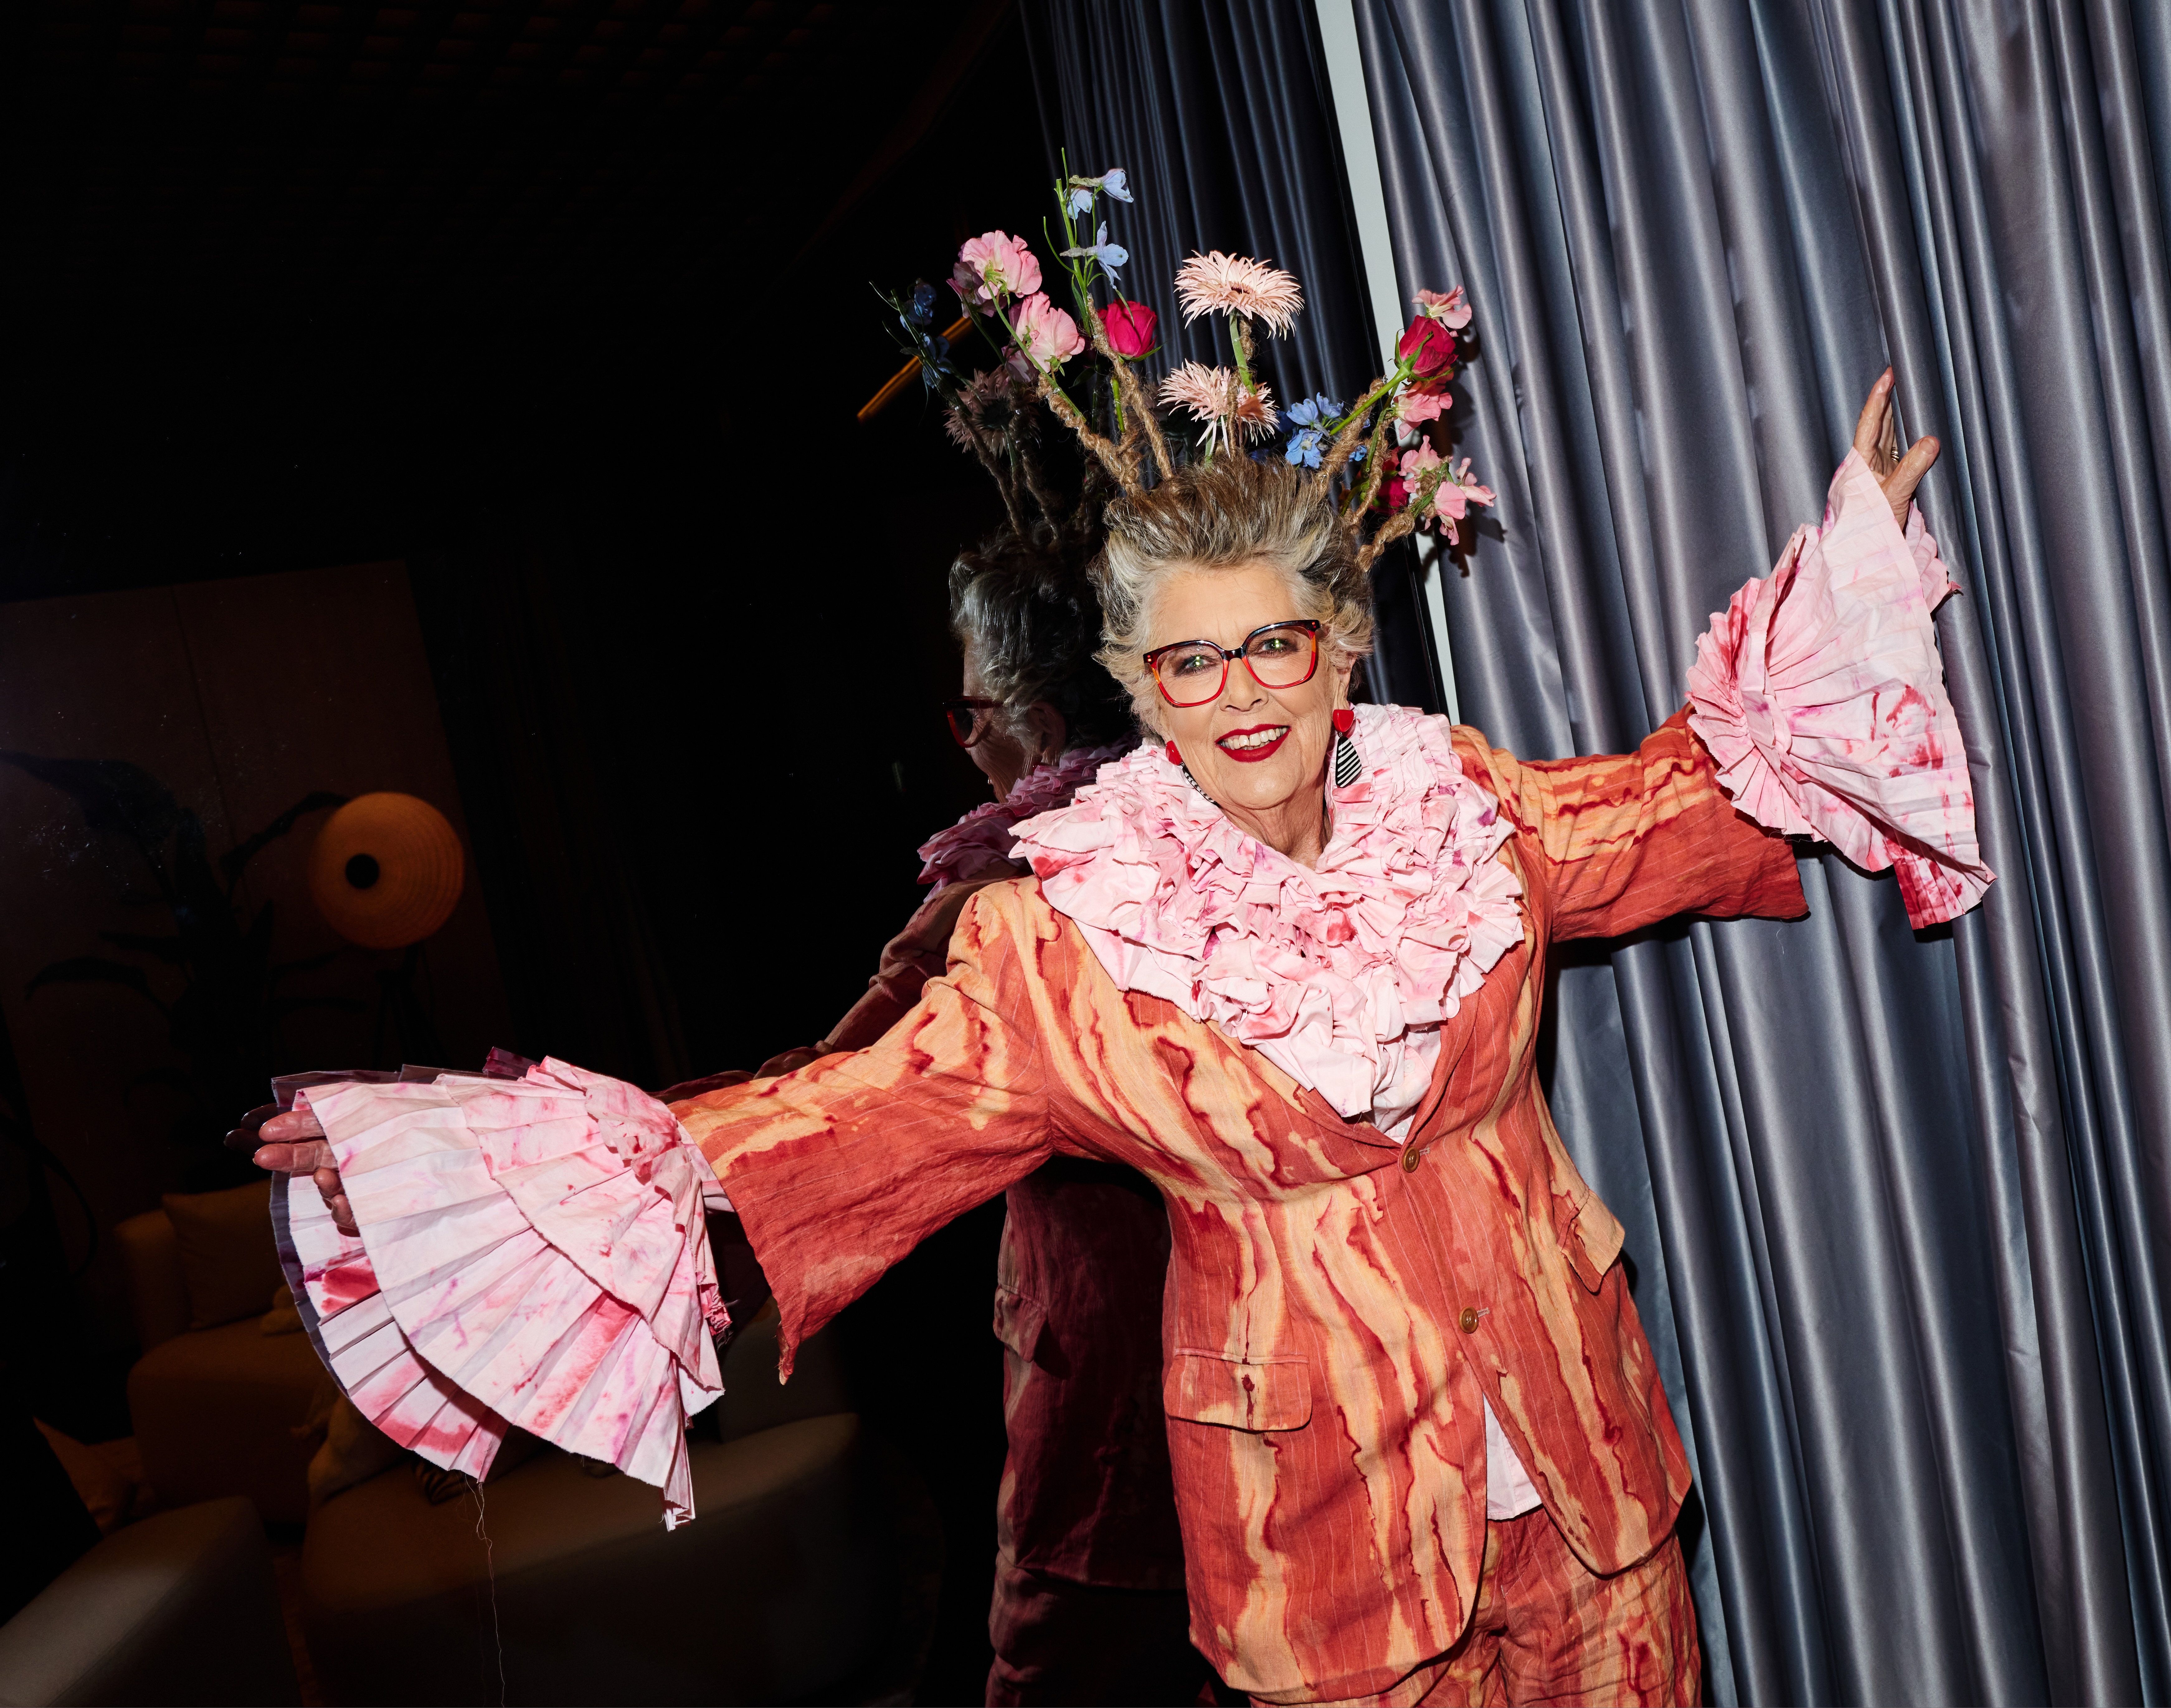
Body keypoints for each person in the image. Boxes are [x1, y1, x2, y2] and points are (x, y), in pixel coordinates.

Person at [260, 212, 1984, 1703]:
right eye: (1188, 664)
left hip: (1590, 1466)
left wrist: (1850, 579)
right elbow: (842, 1118)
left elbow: (1684, 787)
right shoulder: (1060, 935)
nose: (1239, 691)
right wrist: (449, 1173)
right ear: (1137, 685)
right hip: (1333, 1546)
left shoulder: (1465, 803)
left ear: (1337, 646)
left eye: (1272, 644)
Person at [669, 529, 1205, 1707]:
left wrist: (531, 1148)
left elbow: (812, 1097)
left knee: (1056, 1668)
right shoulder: (1206, 831)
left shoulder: (998, 895)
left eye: (971, 714)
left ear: (1040, 725)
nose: (958, 743)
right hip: (1254, 1358)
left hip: (1104, 1382)